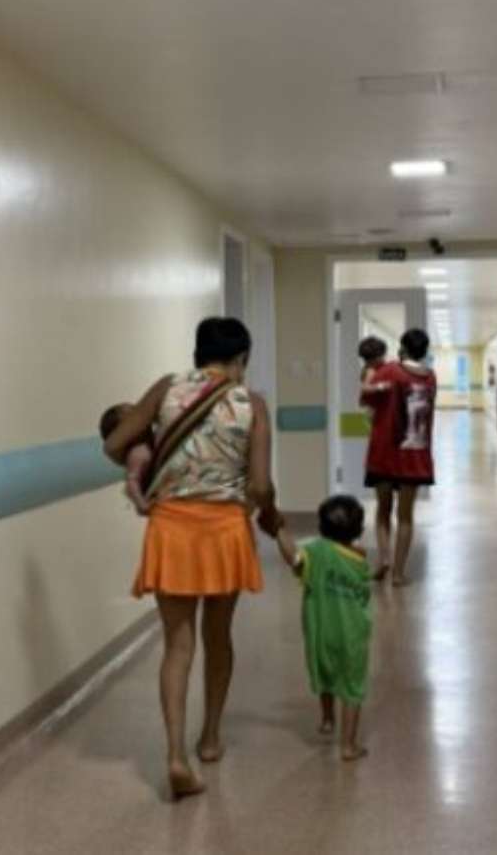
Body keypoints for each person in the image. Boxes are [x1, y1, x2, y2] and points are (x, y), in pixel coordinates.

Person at [103, 317, 279, 800]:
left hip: (172, 528)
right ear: (242, 358)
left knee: (176, 646)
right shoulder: (252, 403)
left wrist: (144, 467)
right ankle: (211, 738)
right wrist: (260, 511)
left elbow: (114, 444)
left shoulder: (167, 388)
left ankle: (175, 756)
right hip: (224, 530)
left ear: (198, 353)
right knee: (218, 638)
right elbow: (260, 485)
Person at [275, 495, 372, 762]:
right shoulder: (359, 561)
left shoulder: (315, 552)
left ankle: (328, 718)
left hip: (320, 631)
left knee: (327, 675)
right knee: (352, 686)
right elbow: (364, 590)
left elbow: (293, 559)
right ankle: (348, 746)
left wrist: (279, 530)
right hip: (352, 634)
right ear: (359, 531)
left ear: (320, 528)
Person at [361, 328, 437, 586]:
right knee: (405, 516)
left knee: (383, 510)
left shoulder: (389, 371)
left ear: (402, 348)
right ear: (424, 352)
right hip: (414, 456)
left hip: (384, 453)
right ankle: (398, 573)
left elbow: (367, 401)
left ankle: (384, 558)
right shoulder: (430, 378)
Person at [99, 404, 152, 514]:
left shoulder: (151, 439)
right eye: (133, 417)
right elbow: (131, 483)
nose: (142, 415)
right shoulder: (137, 453)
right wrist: (142, 504)